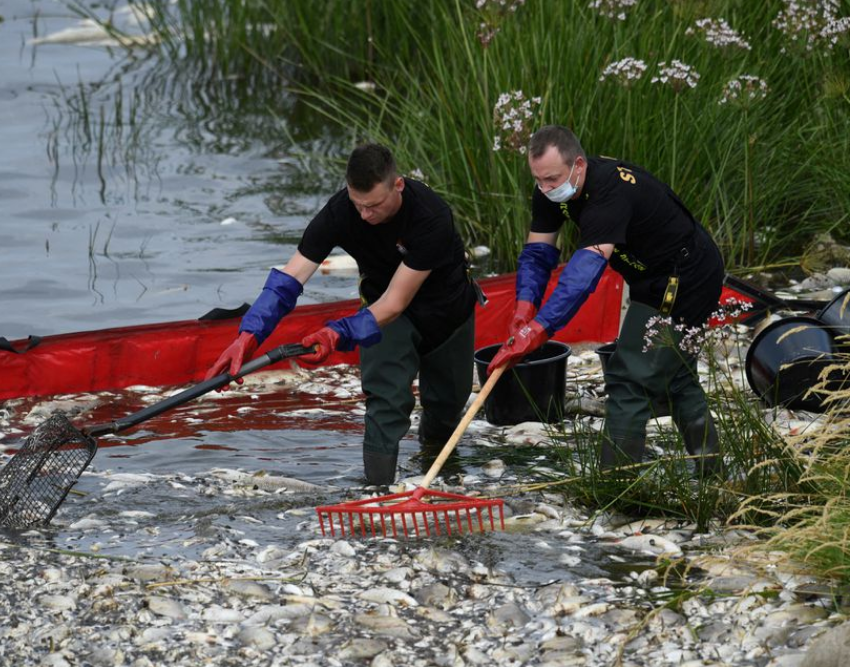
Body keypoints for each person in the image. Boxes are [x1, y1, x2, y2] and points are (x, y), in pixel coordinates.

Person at [206, 143, 479, 485]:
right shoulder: (341, 211)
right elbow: (290, 279)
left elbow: (398, 299)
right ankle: (377, 494)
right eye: (358, 204)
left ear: (398, 186)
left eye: (374, 206)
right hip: (385, 317)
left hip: (446, 315)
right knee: (385, 401)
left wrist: (336, 333)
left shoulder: (431, 216)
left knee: (445, 410)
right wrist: (248, 336)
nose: (365, 215)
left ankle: (440, 480)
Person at [487, 125, 724, 477]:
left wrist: (540, 329)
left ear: (578, 165)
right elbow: (538, 254)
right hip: (647, 276)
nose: (546, 188)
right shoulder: (551, 190)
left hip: (686, 275)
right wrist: (523, 309)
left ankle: (616, 485)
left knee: (629, 378)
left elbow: (583, 276)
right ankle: (713, 474)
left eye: (552, 179)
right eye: (538, 180)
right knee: (675, 375)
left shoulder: (609, 193)